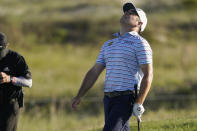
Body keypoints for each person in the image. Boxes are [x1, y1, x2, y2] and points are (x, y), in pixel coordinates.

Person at [71, 2, 153, 131]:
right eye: (126, 11)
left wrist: (139, 102)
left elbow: (148, 75)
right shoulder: (109, 44)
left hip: (126, 98)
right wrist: (79, 95)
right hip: (108, 98)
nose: (127, 13)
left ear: (139, 24)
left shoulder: (141, 43)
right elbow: (94, 71)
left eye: (132, 13)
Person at [0, 32, 32, 131]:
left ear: (7, 46)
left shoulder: (16, 58)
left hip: (9, 106)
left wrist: (9, 79)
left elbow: (29, 82)